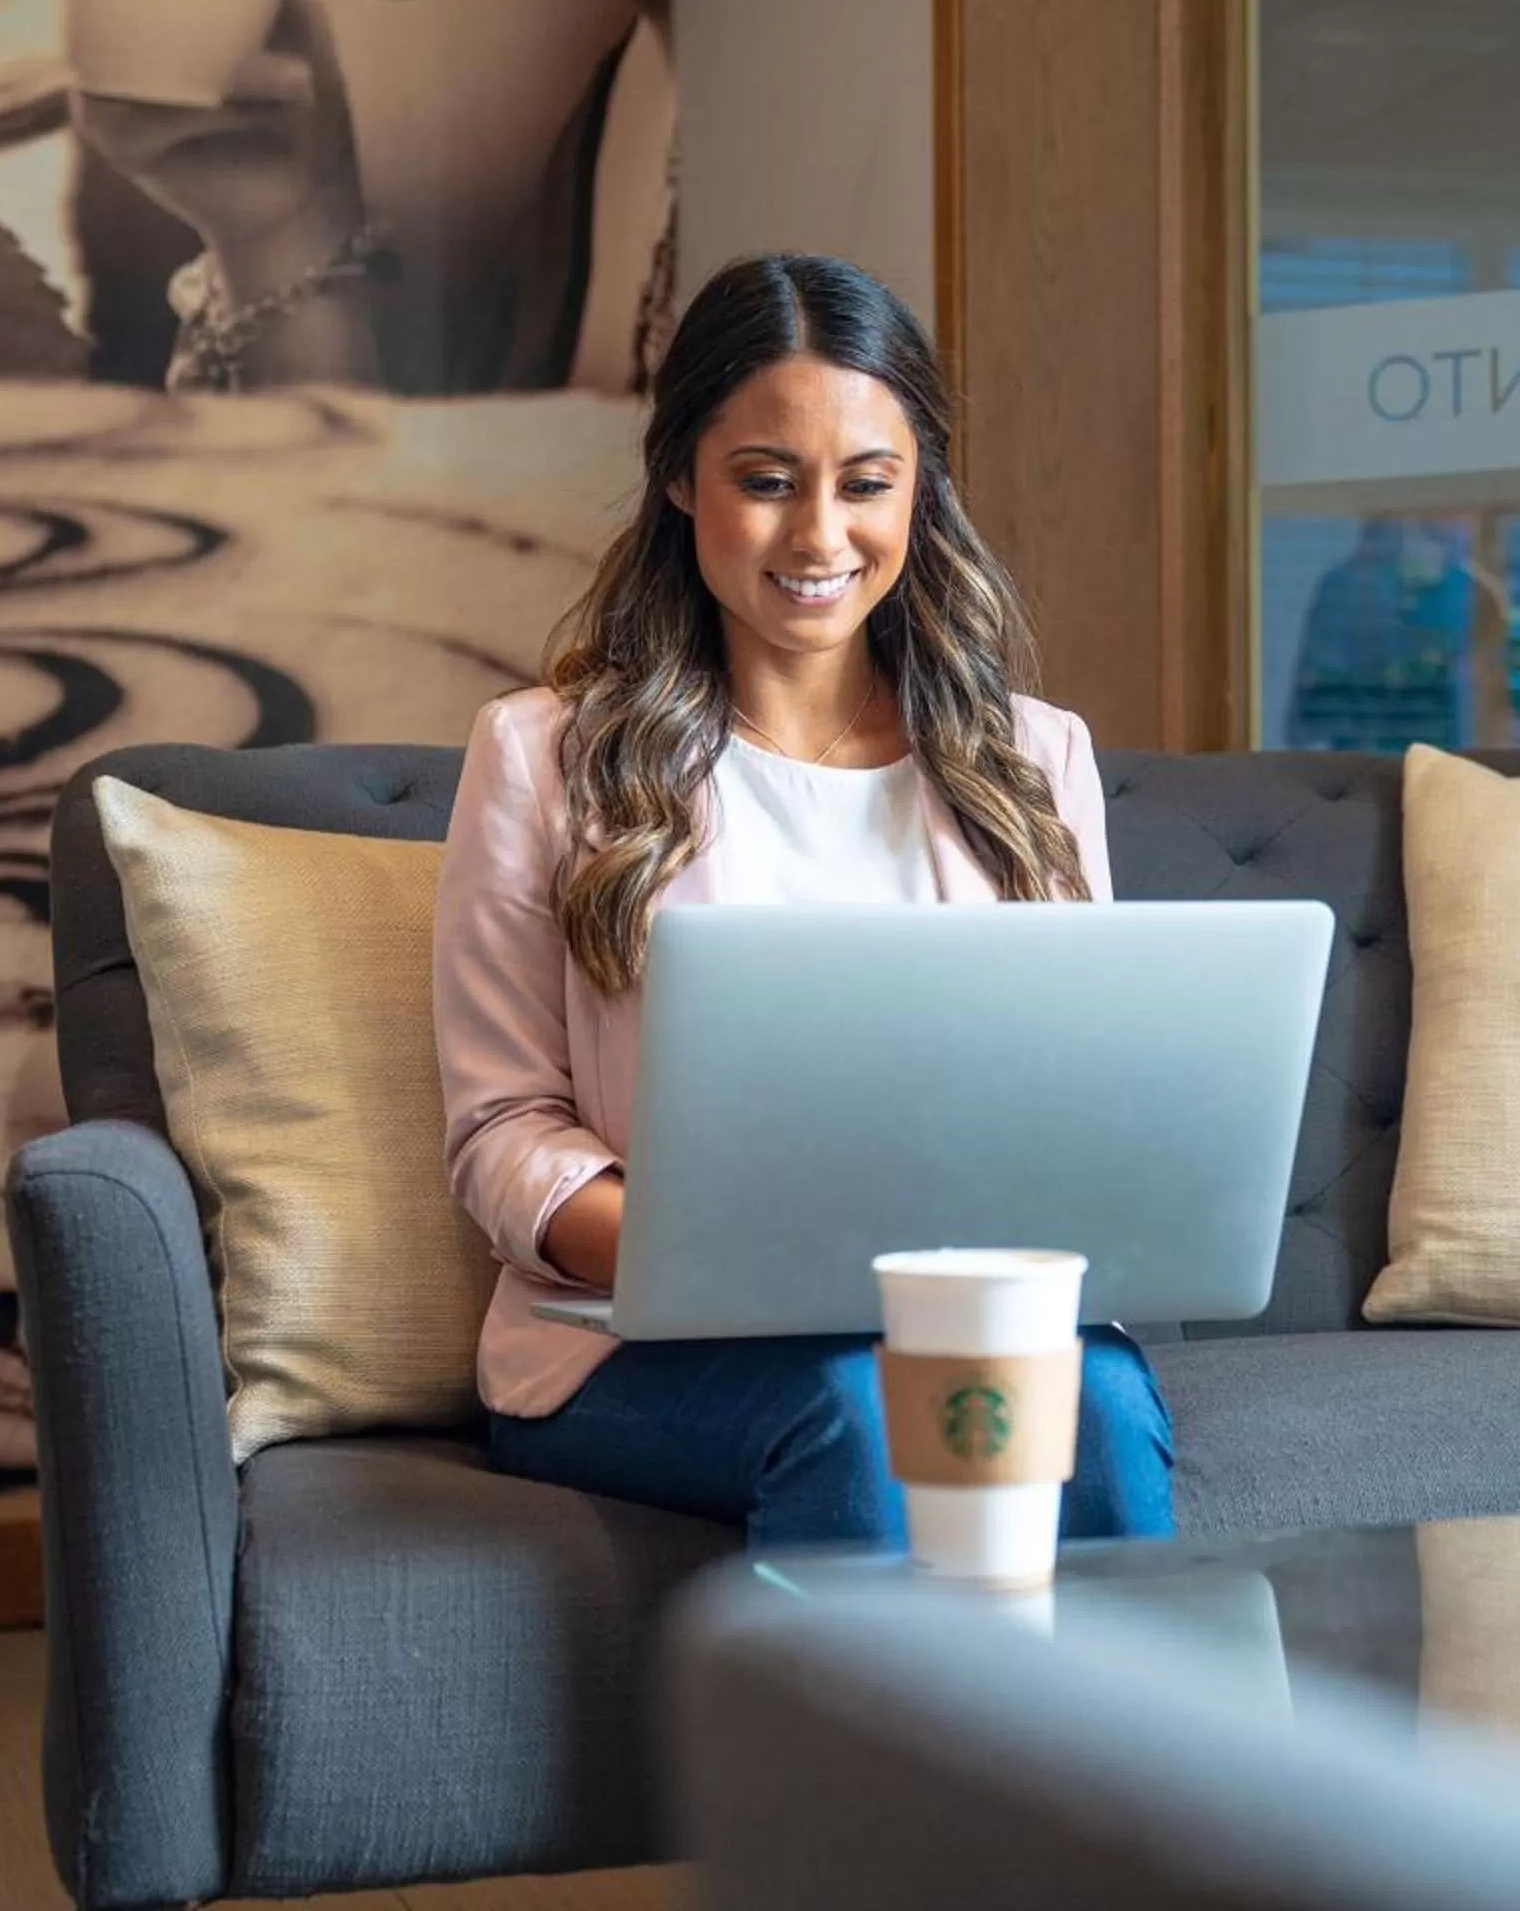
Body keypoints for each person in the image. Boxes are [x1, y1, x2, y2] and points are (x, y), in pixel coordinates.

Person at [430, 253, 1176, 1548]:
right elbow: (502, 1130)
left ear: (920, 489)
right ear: (681, 479)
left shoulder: (1034, 759)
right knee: (854, 1400)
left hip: (967, 1309)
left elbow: (1082, 1105)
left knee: (1096, 1402)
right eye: (767, 483)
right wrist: (711, 1257)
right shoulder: (543, 757)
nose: (821, 537)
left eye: (867, 484)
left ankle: (1125, 1759)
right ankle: (861, 1758)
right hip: (647, 1348)